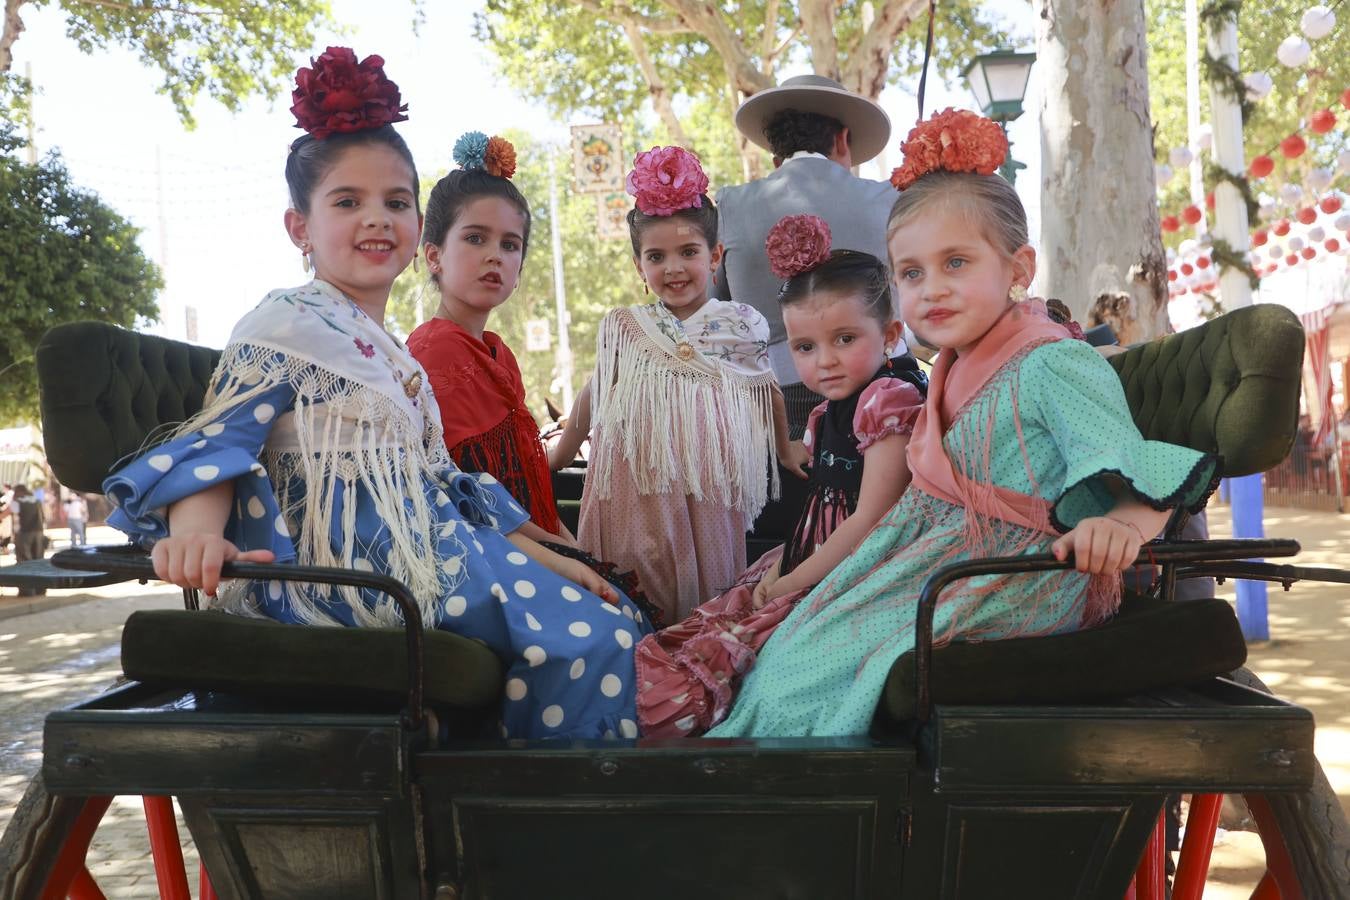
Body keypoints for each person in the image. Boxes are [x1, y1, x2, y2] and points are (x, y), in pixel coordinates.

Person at [100, 47, 649, 741]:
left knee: (616, 613)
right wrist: (195, 536)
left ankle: (520, 777)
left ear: (417, 225)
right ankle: (548, 792)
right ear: (299, 228)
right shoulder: (287, 323)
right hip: (356, 576)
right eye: (347, 202)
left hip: (434, 555)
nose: (377, 219)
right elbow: (220, 446)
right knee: (596, 639)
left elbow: (448, 487)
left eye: (396, 202)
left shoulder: (393, 355)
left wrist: (553, 558)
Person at [708, 109, 1219, 738]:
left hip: (1015, 574)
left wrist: (1119, 525)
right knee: (789, 644)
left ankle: (817, 781)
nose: (932, 289)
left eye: (956, 263)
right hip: (938, 555)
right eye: (912, 273)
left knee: (806, 676)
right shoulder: (951, 363)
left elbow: (1134, 462)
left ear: (1018, 269)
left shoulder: (1051, 362)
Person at [636, 216, 926, 737]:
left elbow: (870, 521)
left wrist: (793, 580)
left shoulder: (890, 402)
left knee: (743, 649)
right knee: (711, 627)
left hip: (857, 564)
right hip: (813, 551)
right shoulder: (832, 408)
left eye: (844, 339)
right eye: (805, 347)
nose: (825, 362)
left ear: (889, 335)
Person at [407, 132, 659, 625]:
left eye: (510, 244)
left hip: (530, 549)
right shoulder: (436, 351)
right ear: (434, 255)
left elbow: (527, 487)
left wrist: (576, 551)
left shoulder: (497, 352)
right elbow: (469, 505)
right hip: (487, 562)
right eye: (475, 238)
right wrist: (567, 559)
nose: (495, 255)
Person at [550, 146, 806, 623]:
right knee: (629, 596)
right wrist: (560, 455)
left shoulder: (740, 324)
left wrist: (786, 449)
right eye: (656, 256)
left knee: (700, 605)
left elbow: (765, 389)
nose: (673, 268)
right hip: (631, 494)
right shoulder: (625, 326)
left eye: (688, 252)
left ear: (715, 256)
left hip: (705, 493)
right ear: (638, 266)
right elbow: (595, 392)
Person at [714, 74, 897, 434]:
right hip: (879, 386)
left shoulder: (730, 204)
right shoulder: (889, 198)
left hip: (771, 402)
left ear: (776, 156)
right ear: (842, 140)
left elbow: (717, 305)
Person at [7, 484, 47, 595]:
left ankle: (27, 590)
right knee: (38, 561)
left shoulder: (17, 502)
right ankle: (41, 589)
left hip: (23, 534)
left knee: (24, 561)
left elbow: (7, 513)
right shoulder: (37, 501)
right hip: (38, 532)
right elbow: (43, 517)